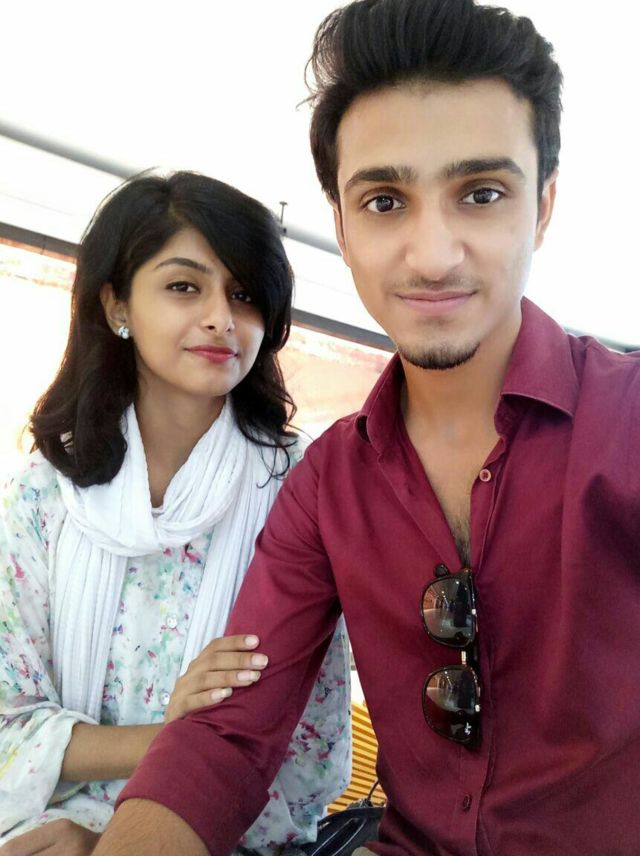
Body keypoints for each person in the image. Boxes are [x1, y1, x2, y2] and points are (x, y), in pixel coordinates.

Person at [94, 1, 640, 854]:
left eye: (482, 194)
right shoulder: (325, 486)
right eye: (385, 201)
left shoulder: (628, 422)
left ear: (542, 206)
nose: (432, 255)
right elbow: (229, 739)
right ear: (342, 226)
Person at [0, 172, 351, 854]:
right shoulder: (43, 495)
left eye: (244, 294)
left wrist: (135, 831)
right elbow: (9, 727)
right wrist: (175, 738)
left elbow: (309, 752)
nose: (222, 317)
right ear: (117, 304)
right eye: (185, 287)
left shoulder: (300, 490)